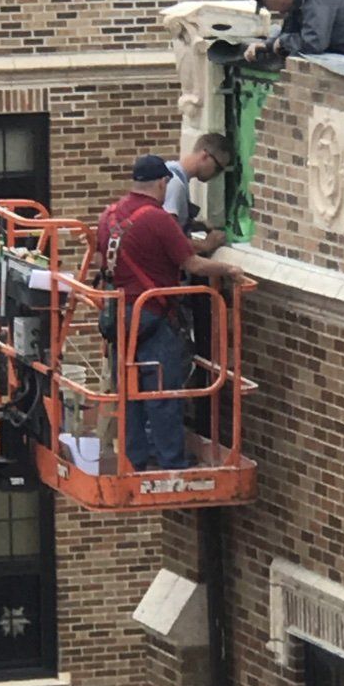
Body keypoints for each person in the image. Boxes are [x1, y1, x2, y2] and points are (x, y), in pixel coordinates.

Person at [97, 155, 244, 472]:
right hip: (153, 315)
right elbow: (193, 264)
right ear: (163, 183)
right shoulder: (158, 219)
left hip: (118, 316)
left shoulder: (109, 216)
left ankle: (135, 460)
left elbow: (101, 262)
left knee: (128, 391)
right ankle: (171, 462)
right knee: (163, 391)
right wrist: (229, 269)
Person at [164, 132, 232, 248]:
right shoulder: (175, 184)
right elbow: (168, 239)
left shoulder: (171, 173)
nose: (217, 175)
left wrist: (196, 225)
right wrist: (206, 244)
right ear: (205, 156)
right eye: (218, 168)